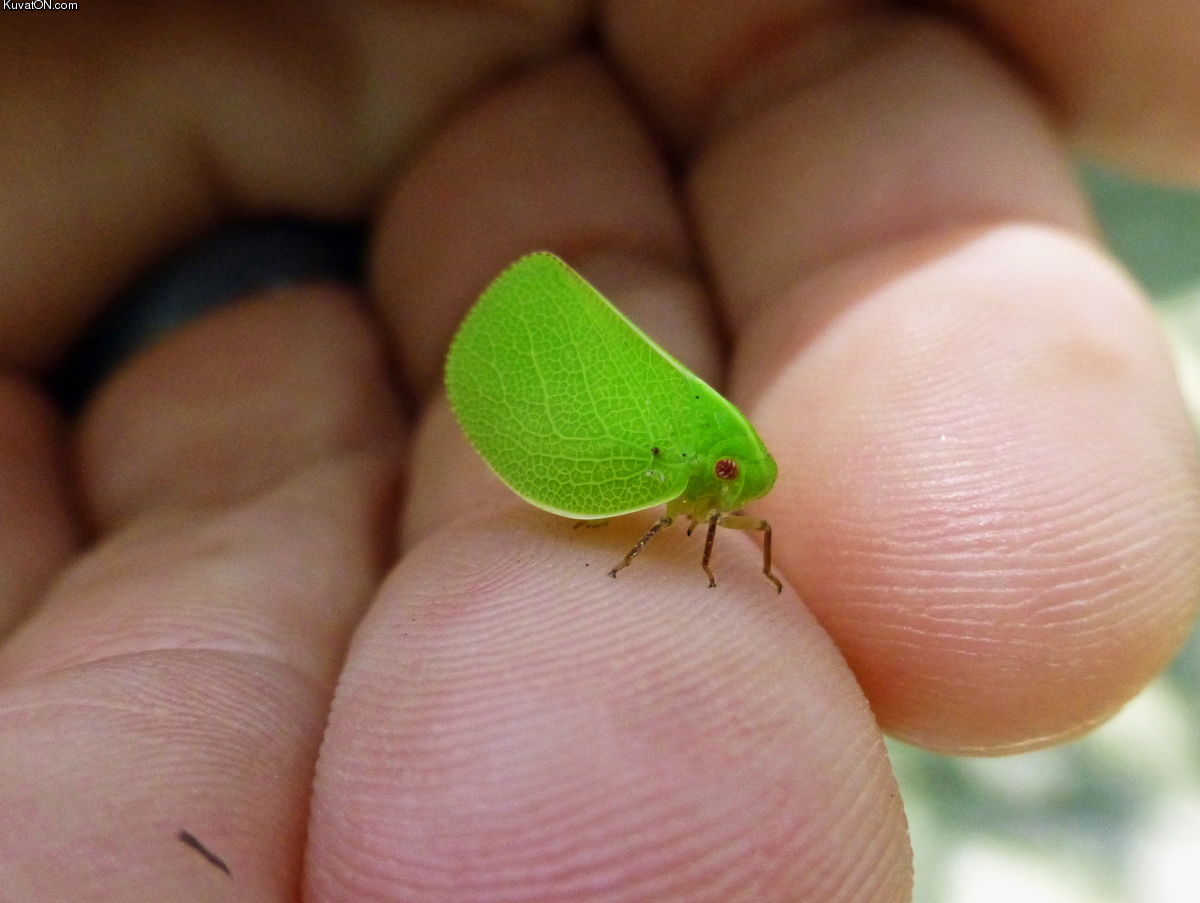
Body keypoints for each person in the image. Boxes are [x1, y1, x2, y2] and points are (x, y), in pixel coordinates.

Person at [2, 4, 1197, 900]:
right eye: (725, 488)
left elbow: (731, 514)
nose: (729, 503)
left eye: (728, 492)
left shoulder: (725, 493)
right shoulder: (694, 471)